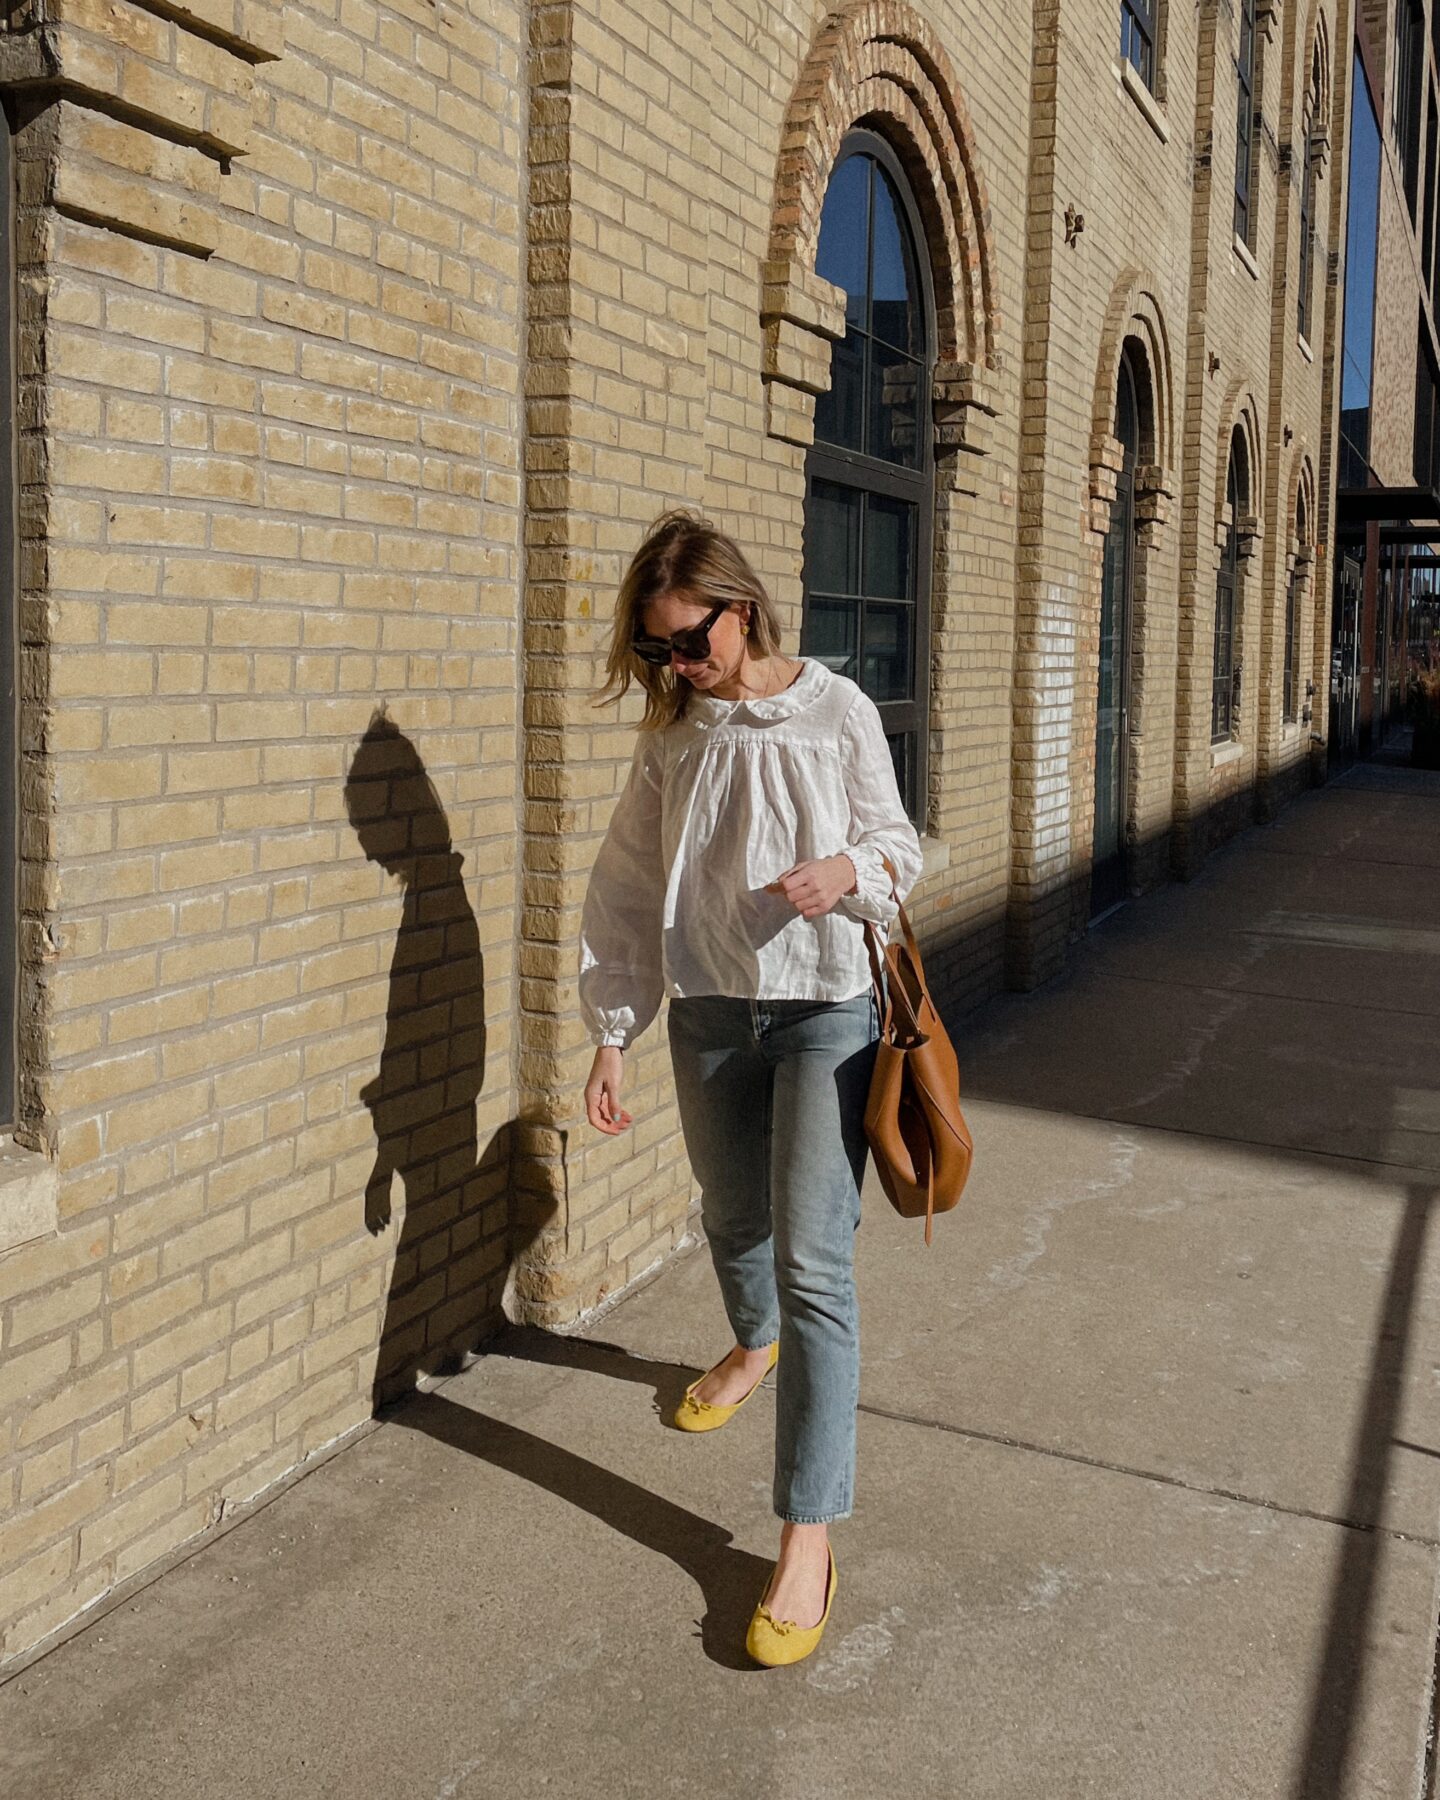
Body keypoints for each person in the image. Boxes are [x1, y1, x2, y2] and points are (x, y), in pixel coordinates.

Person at [577, 507, 923, 1667]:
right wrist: (614, 1029)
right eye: (658, 651)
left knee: (817, 1261)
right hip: (713, 1009)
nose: (679, 667)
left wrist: (847, 872)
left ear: (742, 607)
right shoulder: (676, 735)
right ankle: (751, 1341)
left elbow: (899, 847)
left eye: (692, 641)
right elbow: (628, 882)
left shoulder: (835, 712)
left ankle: (807, 1534)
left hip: (829, 1011)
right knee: (732, 1218)